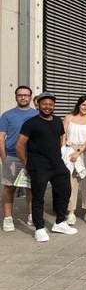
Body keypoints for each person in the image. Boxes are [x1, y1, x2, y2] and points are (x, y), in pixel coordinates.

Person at [15, 92, 78, 242]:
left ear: (53, 106)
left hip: (57, 164)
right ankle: (39, 228)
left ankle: (60, 222)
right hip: (39, 166)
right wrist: (26, 164)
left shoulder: (57, 121)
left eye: (50, 104)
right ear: (38, 105)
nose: (47, 107)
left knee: (65, 192)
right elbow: (19, 146)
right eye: (44, 104)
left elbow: (60, 139)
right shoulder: (31, 123)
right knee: (38, 198)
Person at [0, 86, 37, 231]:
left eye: (26, 95)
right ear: (16, 97)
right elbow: (1, 137)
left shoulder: (36, 115)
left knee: (32, 189)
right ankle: (8, 218)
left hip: (32, 157)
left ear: (30, 97)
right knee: (9, 188)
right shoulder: (7, 115)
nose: (23, 97)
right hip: (12, 157)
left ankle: (32, 216)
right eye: (20, 95)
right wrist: (4, 157)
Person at [62, 95, 86, 225]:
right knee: (71, 182)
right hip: (69, 151)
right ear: (79, 105)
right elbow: (63, 136)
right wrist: (64, 150)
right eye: (83, 104)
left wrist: (78, 152)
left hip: (85, 152)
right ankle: (71, 212)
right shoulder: (68, 117)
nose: (85, 107)